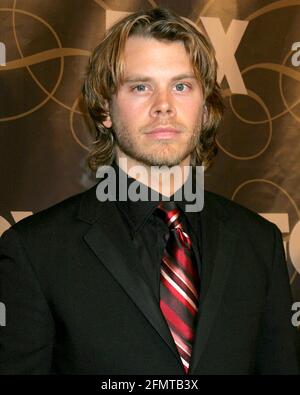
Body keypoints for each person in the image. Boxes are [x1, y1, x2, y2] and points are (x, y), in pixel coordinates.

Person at [0, 8, 299, 375]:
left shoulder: (260, 243)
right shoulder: (34, 251)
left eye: (181, 86)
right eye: (140, 86)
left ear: (205, 108)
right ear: (104, 108)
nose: (163, 106)